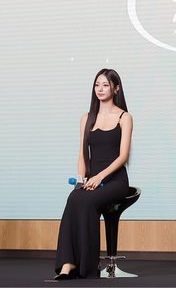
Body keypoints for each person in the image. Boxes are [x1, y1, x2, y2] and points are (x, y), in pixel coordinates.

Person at [54, 68, 132, 279]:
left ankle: (88, 267)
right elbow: (82, 154)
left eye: (105, 85)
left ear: (116, 89)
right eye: (97, 84)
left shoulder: (124, 117)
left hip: (115, 181)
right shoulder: (86, 118)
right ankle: (68, 264)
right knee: (74, 198)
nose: (100, 89)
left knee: (87, 202)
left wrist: (99, 177)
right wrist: (81, 181)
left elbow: (123, 156)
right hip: (92, 180)